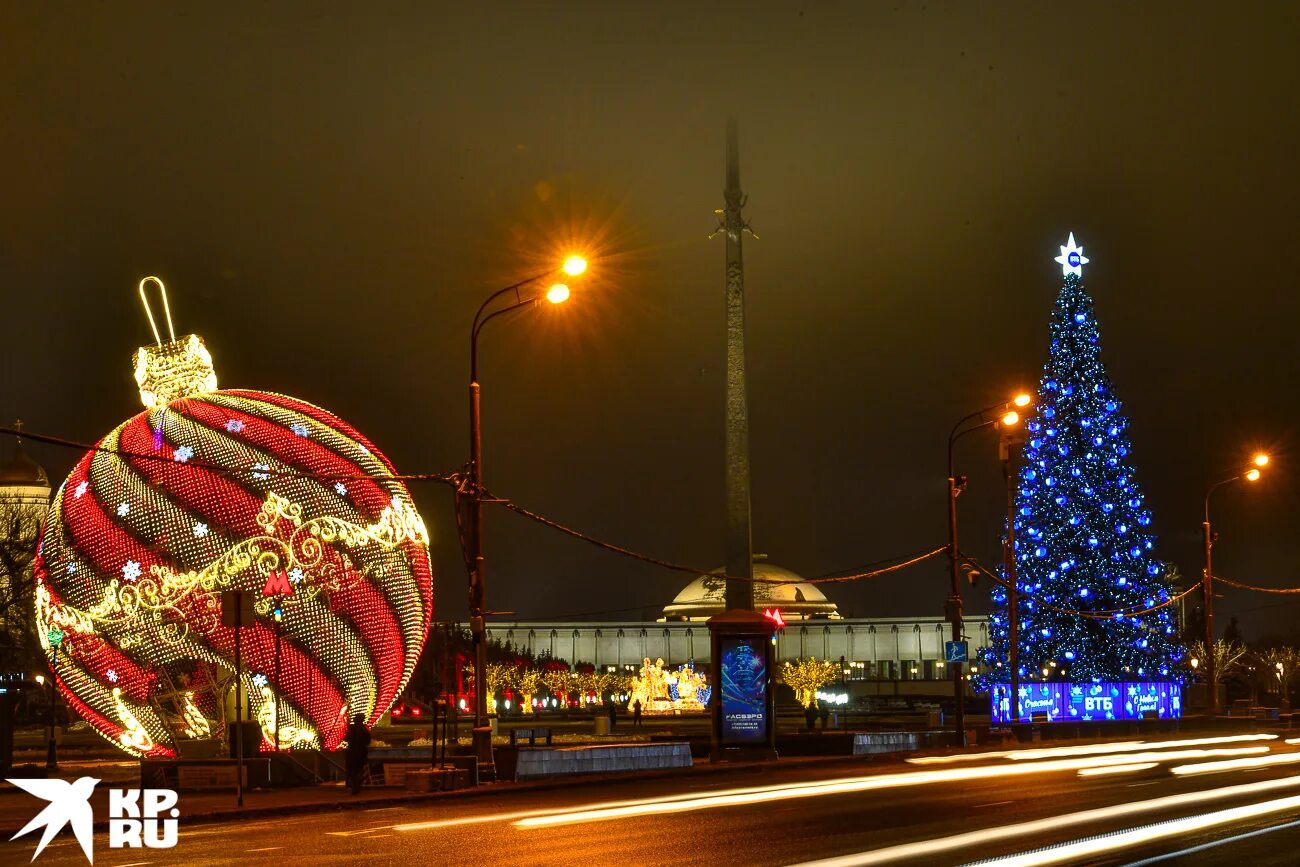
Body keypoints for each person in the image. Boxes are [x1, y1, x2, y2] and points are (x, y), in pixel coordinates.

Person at [345, 712, 371, 795]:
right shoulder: (364, 729)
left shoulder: (352, 728)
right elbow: (368, 741)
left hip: (352, 752)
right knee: (358, 771)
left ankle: (355, 787)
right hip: (361, 753)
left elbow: (346, 738)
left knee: (352, 771)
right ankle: (357, 787)